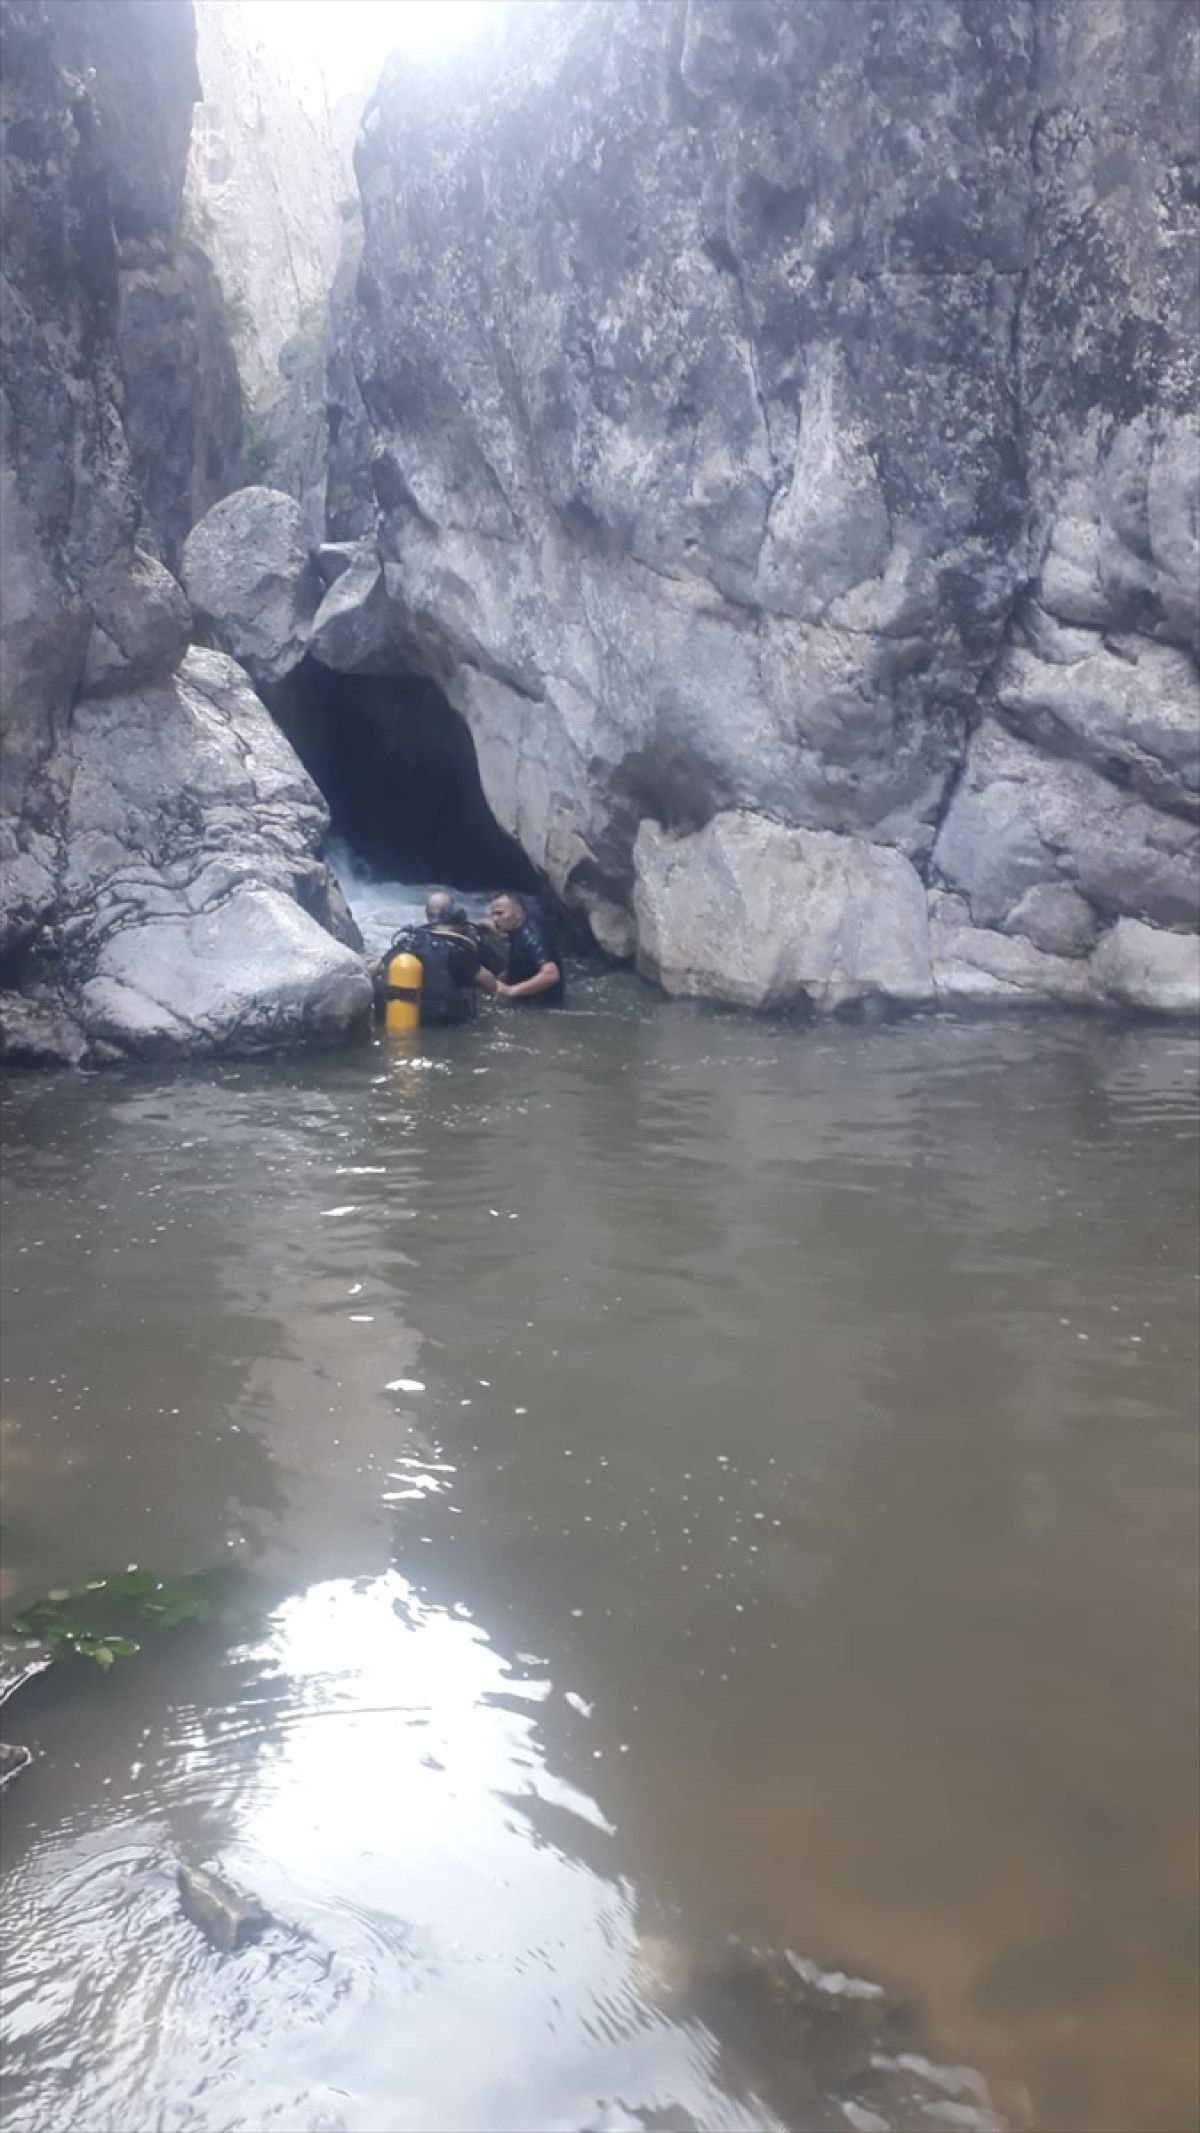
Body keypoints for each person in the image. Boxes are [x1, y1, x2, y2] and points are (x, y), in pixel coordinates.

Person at [388, 889, 482, 1026]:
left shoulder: (408, 942)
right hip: (448, 1023)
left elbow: (378, 966)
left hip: (406, 1019)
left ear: (427, 914)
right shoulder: (458, 948)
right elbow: (493, 985)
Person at [477, 890, 565, 1005]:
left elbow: (551, 974)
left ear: (518, 914)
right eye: (493, 914)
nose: (495, 919)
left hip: (540, 1002)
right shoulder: (516, 927)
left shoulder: (531, 935)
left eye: (500, 913)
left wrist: (512, 991)